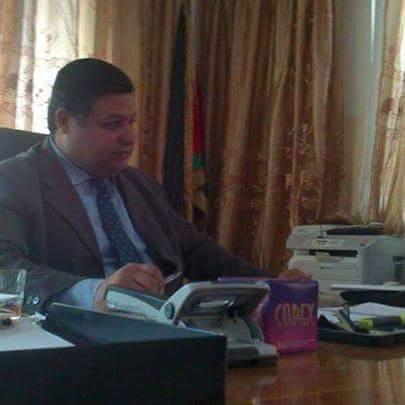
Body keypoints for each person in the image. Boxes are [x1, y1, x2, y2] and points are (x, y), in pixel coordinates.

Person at [0, 58, 308, 314]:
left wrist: (269, 284)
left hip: (170, 325)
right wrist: (95, 292)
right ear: (64, 121)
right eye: (113, 124)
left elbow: (195, 250)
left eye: (132, 122)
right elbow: (5, 270)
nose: (129, 137)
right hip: (81, 336)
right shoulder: (14, 181)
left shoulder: (138, 184)